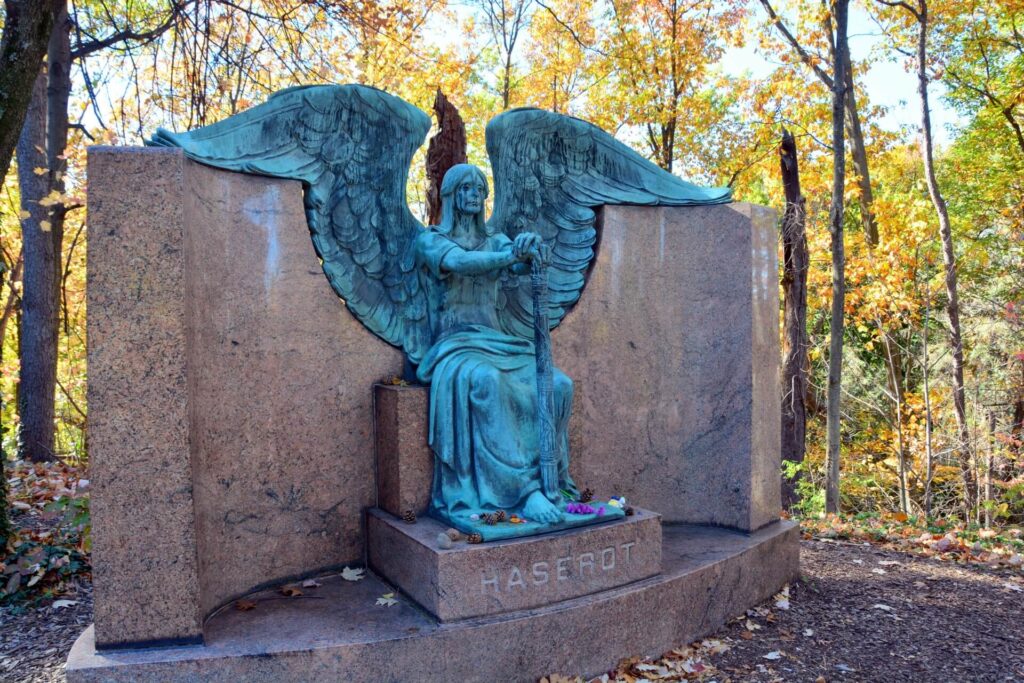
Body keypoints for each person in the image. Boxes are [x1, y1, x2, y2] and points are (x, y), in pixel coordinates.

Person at [415, 164, 577, 530]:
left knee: (558, 385)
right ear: (450, 194)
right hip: (455, 347)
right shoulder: (431, 240)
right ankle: (521, 490)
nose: (474, 194)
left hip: (498, 341)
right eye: (466, 188)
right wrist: (510, 257)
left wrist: (530, 247)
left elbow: (522, 266)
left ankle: (554, 480)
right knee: (487, 381)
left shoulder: (497, 240)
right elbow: (462, 263)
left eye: (480, 188)